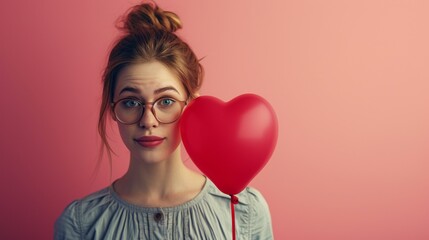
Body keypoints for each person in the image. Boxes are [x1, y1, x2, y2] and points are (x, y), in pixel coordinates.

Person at [54, 2, 273, 239]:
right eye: (130, 102)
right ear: (112, 108)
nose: (148, 121)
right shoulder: (80, 224)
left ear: (192, 106)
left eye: (166, 101)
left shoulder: (246, 212)